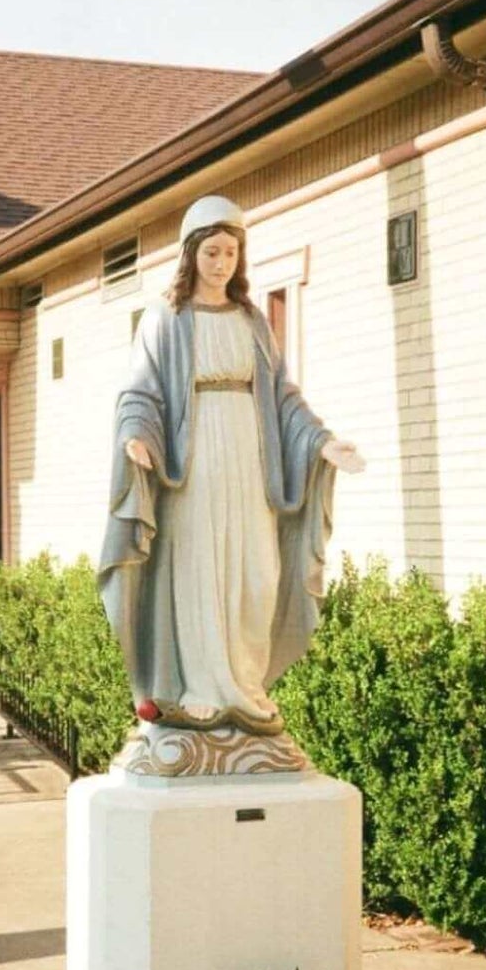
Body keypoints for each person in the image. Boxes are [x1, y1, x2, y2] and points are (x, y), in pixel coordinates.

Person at [98, 195, 363, 740]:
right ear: (191, 253)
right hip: (193, 466)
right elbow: (139, 393)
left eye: (231, 253)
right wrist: (136, 438)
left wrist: (321, 442)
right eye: (212, 252)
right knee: (200, 570)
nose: (221, 263)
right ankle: (199, 690)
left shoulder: (251, 321)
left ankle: (245, 686)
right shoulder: (165, 320)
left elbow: (284, 398)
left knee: (256, 573)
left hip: (250, 460)